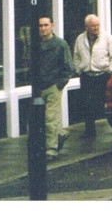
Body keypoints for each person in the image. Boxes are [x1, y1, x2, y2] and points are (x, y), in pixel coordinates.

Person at [73, 14, 112, 139]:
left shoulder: (107, 37)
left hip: (103, 75)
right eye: (93, 26)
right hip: (87, 76)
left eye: (97, 25)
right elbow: (76, 56)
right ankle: (90, 131)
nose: (96, 28)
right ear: (86, 27)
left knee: (106, 103)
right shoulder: (80, 39)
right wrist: (79, 69)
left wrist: (110, 71)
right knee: (87, 105)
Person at [38, 15, 73, 161]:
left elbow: (69, 67)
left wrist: (60, 84)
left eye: (46, 25)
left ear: (52, 26)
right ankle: (60, 134)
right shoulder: (37, 44)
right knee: (42, 118)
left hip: (53, 85)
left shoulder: (60, 44)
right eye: (40, 26)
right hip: (40, 86)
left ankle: (51, 149)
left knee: (50, 118)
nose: (43, 28)